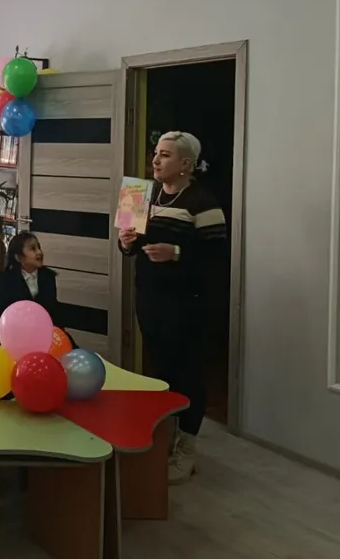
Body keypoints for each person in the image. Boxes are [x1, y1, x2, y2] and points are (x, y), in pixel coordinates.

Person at [118, 131, 226, 485]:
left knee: (188, 374)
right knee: (160, 370)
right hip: (150, 300)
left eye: (165, 155)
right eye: (156, 153)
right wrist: (126, 242)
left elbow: (216, 259)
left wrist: (176, 253)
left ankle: (187, 449)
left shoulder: (203, 202)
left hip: (188, 305)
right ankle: (166, 436)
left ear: (185, 164)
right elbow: (130, 248)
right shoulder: (141, 194)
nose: (155, 160)